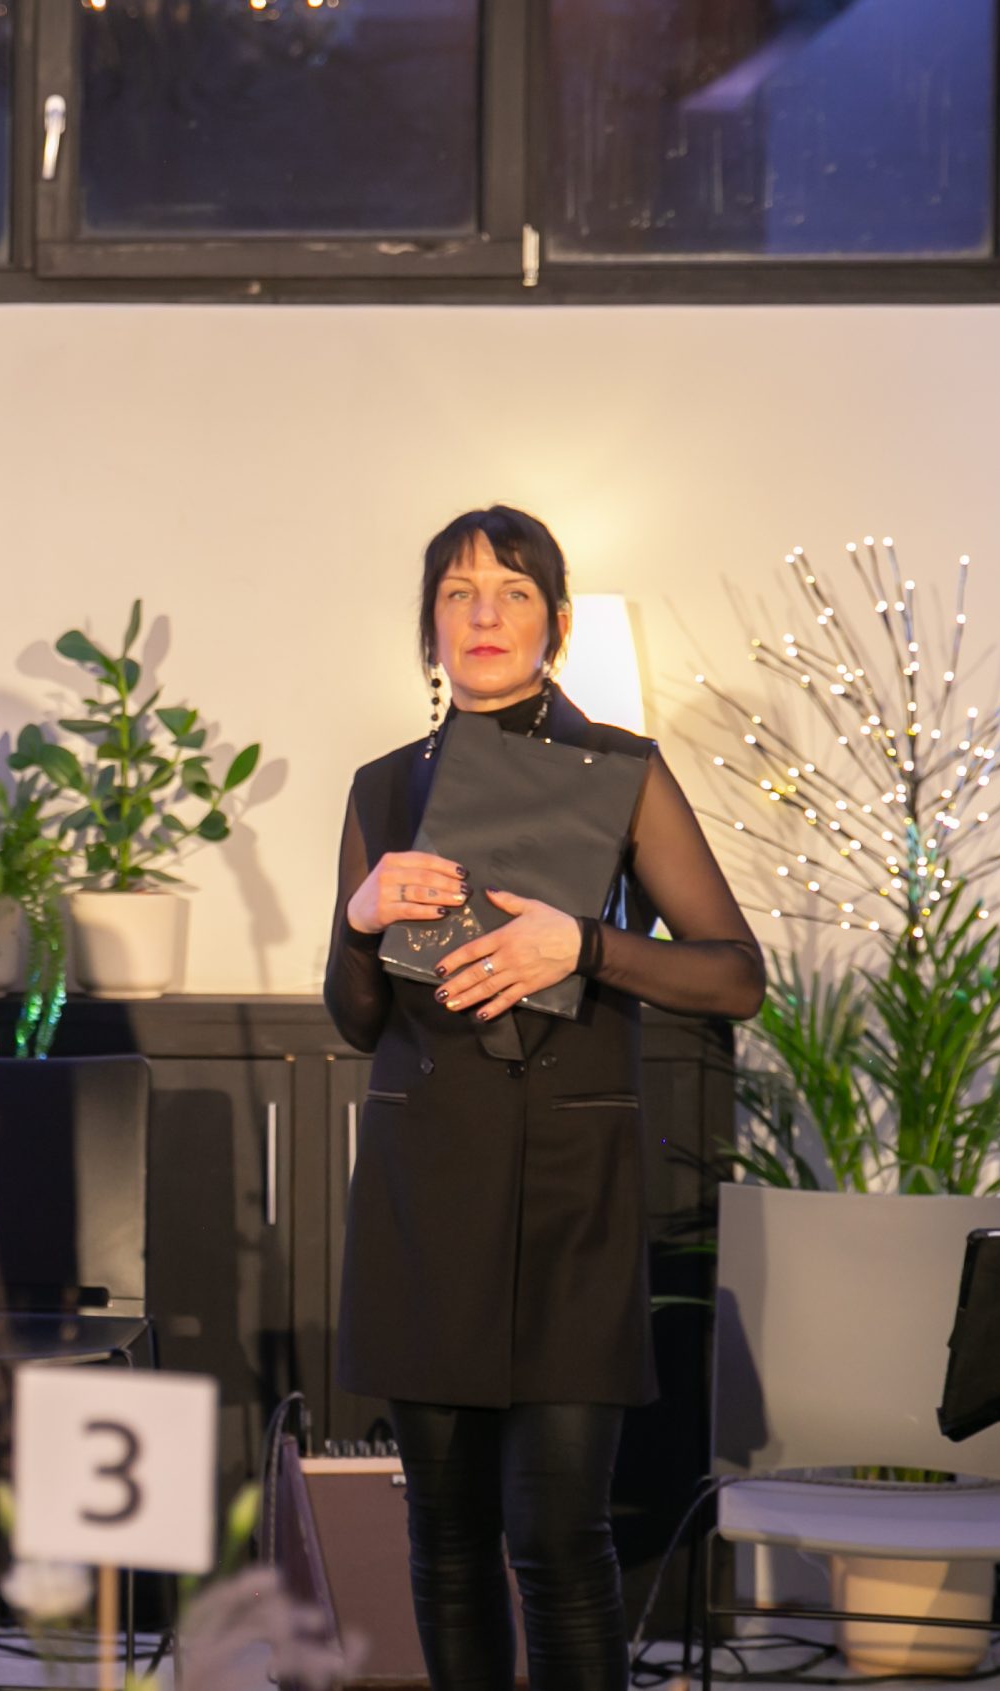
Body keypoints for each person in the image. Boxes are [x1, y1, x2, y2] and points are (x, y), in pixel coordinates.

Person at [323, 506, 765, 1691]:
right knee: (445, 1537)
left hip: (572, 1195)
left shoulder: (620, 772)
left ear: (555, 623)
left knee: (559, 1539)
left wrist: (586, 945)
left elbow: (735, 978)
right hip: (425, 1189)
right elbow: (356, 1018)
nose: (483, 614)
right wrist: (359, 920)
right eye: (458, 592)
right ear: (428, 625)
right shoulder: (381, 787)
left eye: (512, 592)